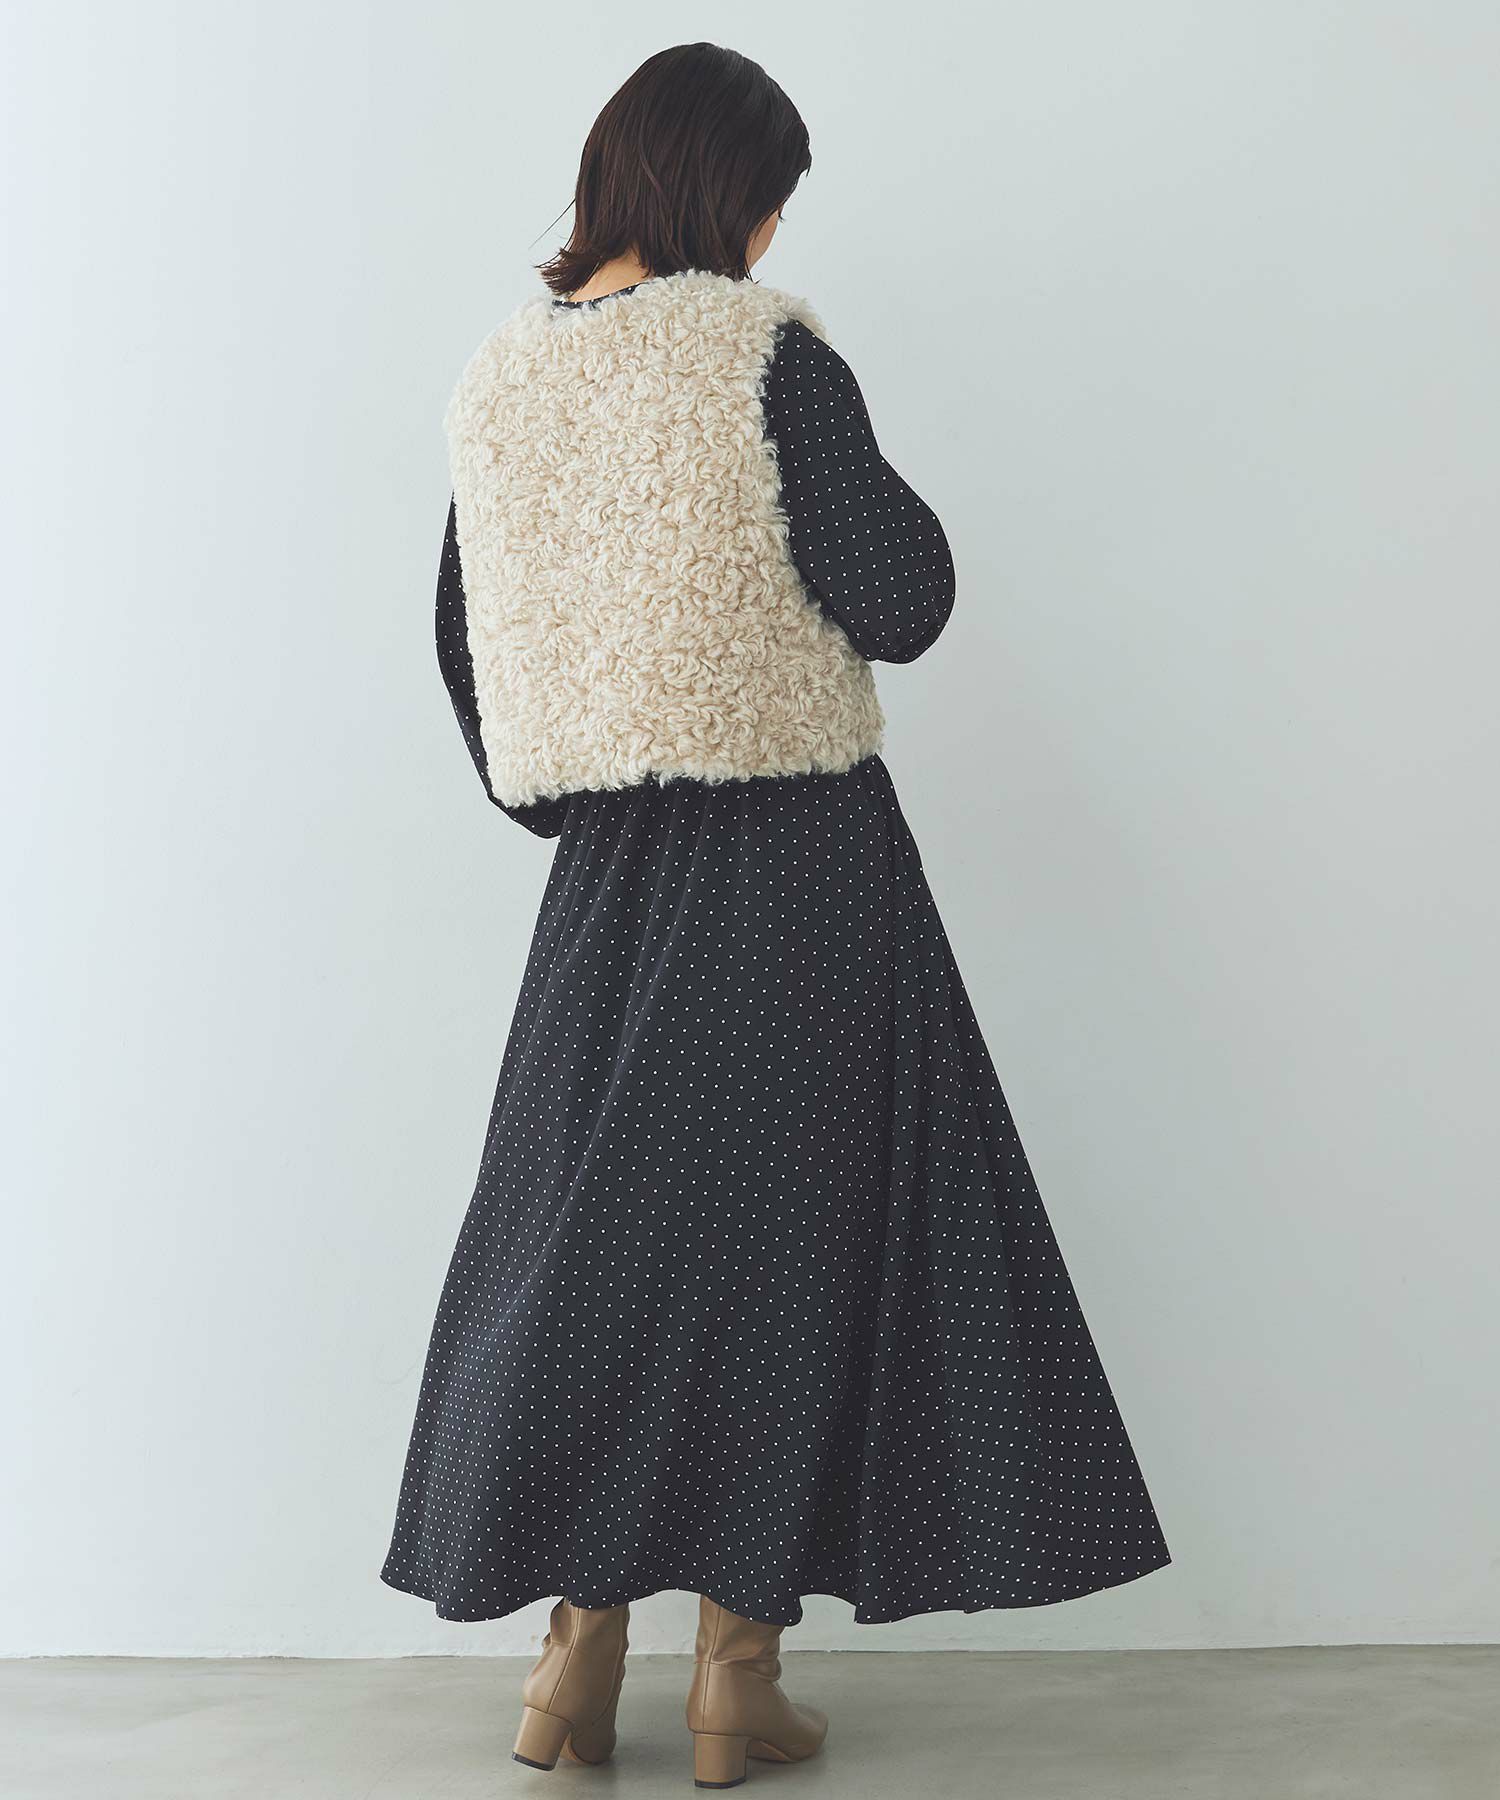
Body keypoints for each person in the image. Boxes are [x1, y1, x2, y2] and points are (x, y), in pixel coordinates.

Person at [380, 40, 1170, 1791]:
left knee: (592, 1247)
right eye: (771, 199)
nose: (773, 231)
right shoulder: (762, 355)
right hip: (801, 861)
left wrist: (584, 783)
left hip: (608, 880)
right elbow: (902, 598)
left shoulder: (500, 381)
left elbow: (468, 648)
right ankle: (736, 1678)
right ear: (723, 186)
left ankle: (574, 1660)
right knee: (789, 1250)